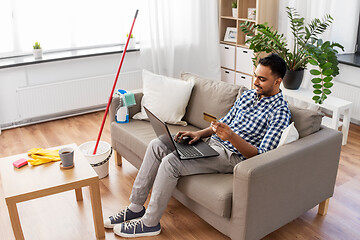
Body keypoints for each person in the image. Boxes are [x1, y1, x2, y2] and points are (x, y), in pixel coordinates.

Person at [104, 53, 291, 238]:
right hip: (212, 143)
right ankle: (136, 207)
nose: (256, 82)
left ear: (277, 81)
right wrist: (198, 134)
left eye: (262, 79)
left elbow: (261, 155)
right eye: (255, 76)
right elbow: (221, 124)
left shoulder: (280, 112)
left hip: (232, 157)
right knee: (157, 144)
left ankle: (150, 223)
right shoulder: (247, 96)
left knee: (171, 162)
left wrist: (232, 137)